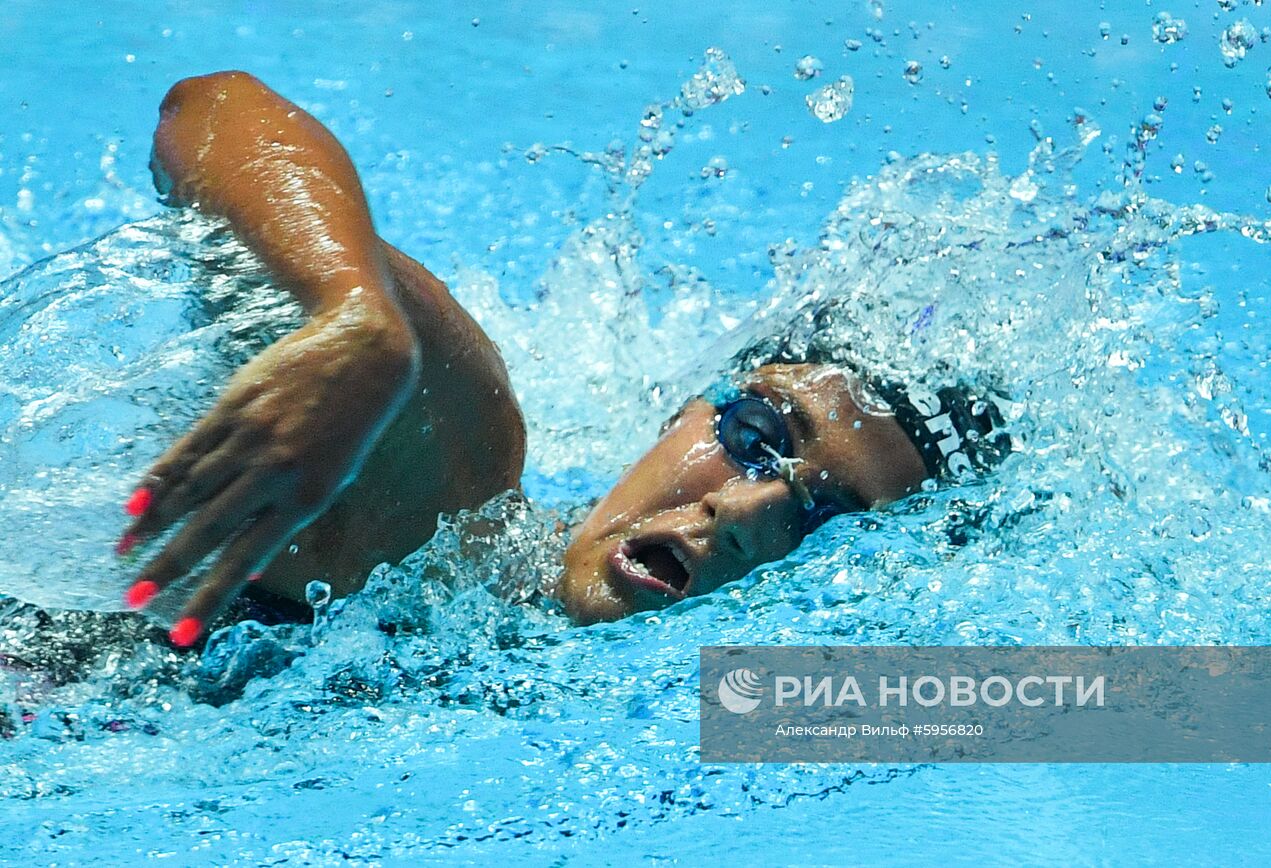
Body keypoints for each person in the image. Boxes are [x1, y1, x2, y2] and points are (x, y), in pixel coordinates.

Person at [117, 71, 1010, 647]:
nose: (743, 510)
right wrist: (356, 316)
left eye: (829, 520)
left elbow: (1126, 713)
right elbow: (211, 111)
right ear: (685, 410)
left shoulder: (752, 707)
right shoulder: (445, 495)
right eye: (756, 434)